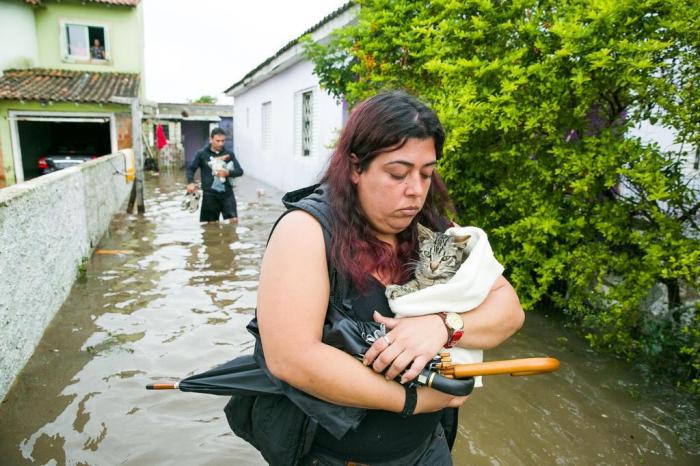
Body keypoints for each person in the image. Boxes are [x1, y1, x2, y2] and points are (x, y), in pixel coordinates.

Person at [249, 91, 525, 465]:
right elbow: (291, 357)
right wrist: (414, 399)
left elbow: (509, 309)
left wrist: (444, 326)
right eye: (397, 173)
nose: (415, 190)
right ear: (355, 167)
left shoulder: (433, 230)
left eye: (426, 173)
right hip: (331, 457)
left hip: (427, 451)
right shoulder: (306, 231)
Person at [186, 128, 243, 224]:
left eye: (223, 141)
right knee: (211, 226)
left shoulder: (229, 154)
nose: (221, 143)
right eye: (218, 141)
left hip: (227, 194)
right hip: (209, 195)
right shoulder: (202, 154)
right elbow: (191, 169)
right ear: (211, 139)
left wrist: (227, 173)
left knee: (233, 221)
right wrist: (191, 182)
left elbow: (240, 171)